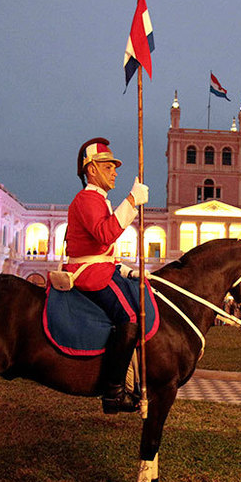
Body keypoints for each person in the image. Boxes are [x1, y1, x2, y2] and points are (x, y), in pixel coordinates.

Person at [63, 137, 149, 414]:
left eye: (114, 167)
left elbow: (103, 248)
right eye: (108, 166)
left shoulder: (99, 199)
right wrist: (132, 201)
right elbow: (105, 233)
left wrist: (123, 268)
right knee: (131, 318)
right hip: (89, 274)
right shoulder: (87, 198)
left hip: (102, 267)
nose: (115, 172)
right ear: (92, 170)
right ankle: (113, 392)